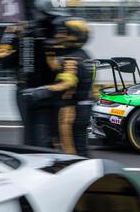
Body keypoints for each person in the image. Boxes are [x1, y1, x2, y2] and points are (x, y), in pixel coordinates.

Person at [0, 0, 66, 148]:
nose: (53, 20)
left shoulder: (60, 30)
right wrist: (25, 44)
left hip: (52, 91)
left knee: (54, 138)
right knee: (32, 139)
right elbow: (0, 58)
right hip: (26, 90)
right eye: (49, 16)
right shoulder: (18, 29)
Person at [22, 16, 95, 158]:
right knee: (80, 148)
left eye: (63, 32)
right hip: (84, 107)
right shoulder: (84, 55)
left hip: (71, 110)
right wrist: (49, 50)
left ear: (74, 34)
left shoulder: (72, 59)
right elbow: (58, 67)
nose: (59, 35)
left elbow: (66, 83)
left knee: (70, 152)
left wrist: (41, 91)